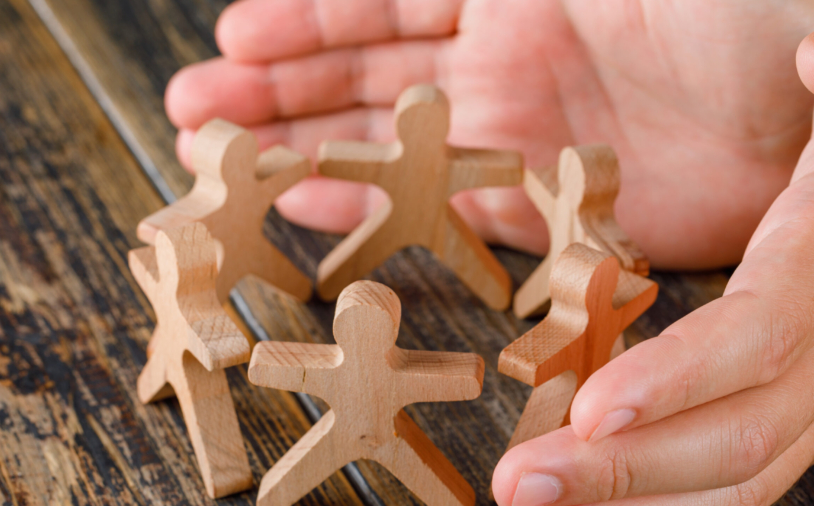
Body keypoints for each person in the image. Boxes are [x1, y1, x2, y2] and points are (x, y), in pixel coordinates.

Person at [164, 1, 814, 504]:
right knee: (353, 272)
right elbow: (310, 360)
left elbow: (292, 362)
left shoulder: (591, 279)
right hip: (401, 243)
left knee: (435, 287)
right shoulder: (587, 280)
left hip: (449, 244)